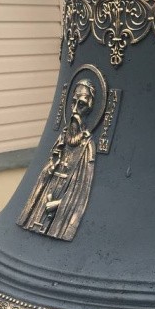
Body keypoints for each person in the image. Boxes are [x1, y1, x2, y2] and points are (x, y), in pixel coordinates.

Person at [18, 78, 97, 241]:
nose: (74, 110)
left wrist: (60, 204)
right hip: (46, 194)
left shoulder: (87, 147)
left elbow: (80, 192)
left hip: (63, 201)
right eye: (73, 103)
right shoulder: (62, 138)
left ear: (90, 108)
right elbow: (47, 171)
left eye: (81, 105)